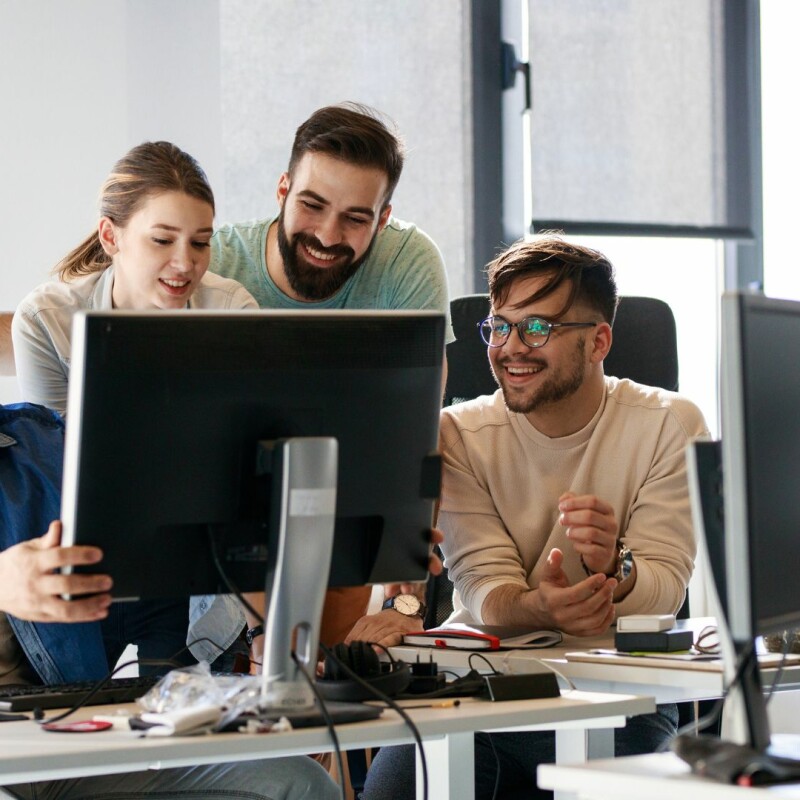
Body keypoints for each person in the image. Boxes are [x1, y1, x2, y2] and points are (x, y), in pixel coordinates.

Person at [362, 237, 709, 799]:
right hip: (479, 691)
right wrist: (537, 607)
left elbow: (664, 590)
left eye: (538, 328)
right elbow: (483, 589)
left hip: (614, 698)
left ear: (598, 342)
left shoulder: (670, 425)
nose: (510, 348)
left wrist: (614, 569)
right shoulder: (460, 434)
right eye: (500, 326)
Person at [0, 402, 339, 800]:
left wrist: (267, 643)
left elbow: (206, 523)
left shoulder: (36, 444)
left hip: (65, 743)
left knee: (301, 781)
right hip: (14, 760)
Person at [210, 102, 454, 653]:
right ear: (282, 190)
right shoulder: (218, 261)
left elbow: (415, 434)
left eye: (355, 218)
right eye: (312, 205)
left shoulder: (407, 263)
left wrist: (404, 602)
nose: (326, 234)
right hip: (232, 504)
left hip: (352, 493)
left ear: (383, 219)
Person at [11, 141, 258, 669]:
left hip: (188, 551)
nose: (184, 263)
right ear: (111, 236)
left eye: (200, 243)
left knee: (185, 716)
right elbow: (49, 460)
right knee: (84, 715)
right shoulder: (49, 317)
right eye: (163, 240)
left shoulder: (231, 309)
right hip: (87, 544)